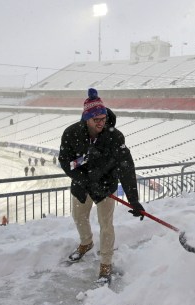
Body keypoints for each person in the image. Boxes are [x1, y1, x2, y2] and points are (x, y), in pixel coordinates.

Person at [58, 88, 145, 284]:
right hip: (82, 185)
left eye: (103, 118)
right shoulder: (71, 134)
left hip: (106, 187)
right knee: (79, 217)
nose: (100, 123)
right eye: (95, 119)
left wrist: (134, 201)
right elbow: (65, 162)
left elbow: (126, 167)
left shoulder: (115, 136)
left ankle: (106, 263)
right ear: (86, 118)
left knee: (106, 225)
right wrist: (86, 181)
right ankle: (86, 242)